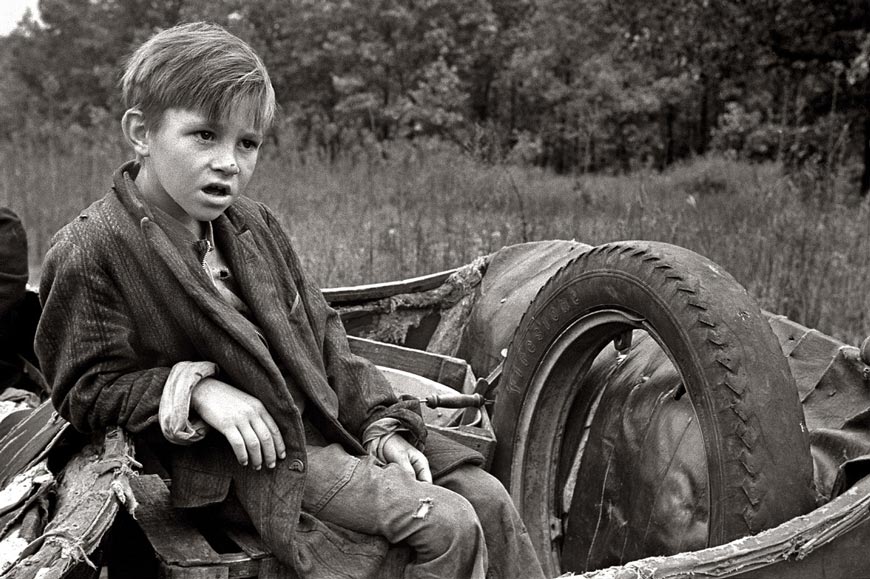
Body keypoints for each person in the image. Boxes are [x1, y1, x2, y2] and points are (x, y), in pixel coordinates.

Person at [35, 22, 545, 579]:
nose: (229, 162)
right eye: (204, 135)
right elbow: (83, 391)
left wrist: (382, 426)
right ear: (141, 131)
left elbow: (326, 339)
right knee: (445, 524)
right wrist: (194, 389)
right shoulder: (93, 248)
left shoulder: (253, 225)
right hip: (251, 463)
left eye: (246, 143)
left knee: (487, 497)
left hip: (328, 425)